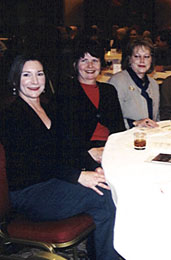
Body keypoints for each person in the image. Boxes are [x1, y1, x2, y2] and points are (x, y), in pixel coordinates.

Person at [0, 54, 118, 260]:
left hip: (54, 180)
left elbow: (69, 147)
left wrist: (92, 168)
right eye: (27, 75)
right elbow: (35, 162)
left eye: (40, 74)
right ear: (15, 79)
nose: (35, 81)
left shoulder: (49, 107)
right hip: (30, 192)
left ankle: (99, 253)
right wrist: (78, 176)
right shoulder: (11, 115)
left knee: (107, 188)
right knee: (104, 196)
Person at [56, 39, 125, 171]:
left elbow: (119, 128)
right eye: (84, 61)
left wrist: (114, 150)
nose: (90, 66)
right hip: (83, 154)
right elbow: (66, 135)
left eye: (95, 60)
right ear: (75, 65)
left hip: (111, 150)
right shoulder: (66, 91)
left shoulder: (108, 91)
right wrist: (89, 153)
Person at [109, 39, 159, 129]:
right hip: (126, 135)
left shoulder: (154, 84)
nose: (142, 61)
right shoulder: (118, 81)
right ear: (129, 59)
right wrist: (135, 124)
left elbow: (157, 117)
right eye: (137, 56)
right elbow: (111, 118)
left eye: (146, 57)